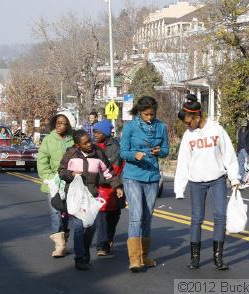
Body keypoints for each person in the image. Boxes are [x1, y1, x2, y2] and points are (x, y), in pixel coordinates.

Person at [174, 95, 240, 271]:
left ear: (197, 117)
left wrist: (234, 177)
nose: (186, 126)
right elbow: (183, 162)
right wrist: (179, 188)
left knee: (220, 217)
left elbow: (229, 154)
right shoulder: (188, 136)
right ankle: (195, 258)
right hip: (196, 182)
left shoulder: (217, 130)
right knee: (196, 219)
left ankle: (218, 257)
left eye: (188, 122)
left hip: (217, 179)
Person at [58, 130, 124, 271]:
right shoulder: (71, 153)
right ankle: (79, 258)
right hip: (75, 197)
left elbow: (108, 172)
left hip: (91, 196)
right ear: (78, 145)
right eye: (85, 143)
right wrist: (71, 174)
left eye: (90, 141)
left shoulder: (98, 152)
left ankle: (85, 252)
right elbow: (61, 171)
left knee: (91, 227)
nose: (90, 144)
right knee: (79, 227)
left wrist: (117, 186)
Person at [120, 96, 169, 272]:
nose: (149, 118)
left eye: (152, 114)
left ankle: (144, 256)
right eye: (146, 114)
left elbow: (165, 150)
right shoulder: (130, 127)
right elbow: (123, 151)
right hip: (133, 176)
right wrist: (134, 155)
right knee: (137, 214)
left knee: (147, 216)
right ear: (139, 112)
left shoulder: (161, 127)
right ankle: (134, 259)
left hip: (152, 177)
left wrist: (159, 151)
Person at [37, 111, 75, 258]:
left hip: (70, 182)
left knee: (66, 213)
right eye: (58, 123)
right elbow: (42, 160)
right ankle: (59, 245)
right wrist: (49, 178)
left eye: (63, 124)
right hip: (53, 183)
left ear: (68, 125)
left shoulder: (73, 139)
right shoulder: (48, 140)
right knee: (55, 211)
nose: (60, 126)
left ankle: (64, 239)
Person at [93, 120, 125, 256]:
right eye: (94, 132)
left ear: (105, 133)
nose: (95, 134)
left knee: (113, 216)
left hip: (114, 186)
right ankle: (102, 245)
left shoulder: (115, 147)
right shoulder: (92, 146)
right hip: (99, 188)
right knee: (101, 217)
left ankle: (109, 237)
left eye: (98, 132)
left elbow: (115, 167)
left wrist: (115, 184)